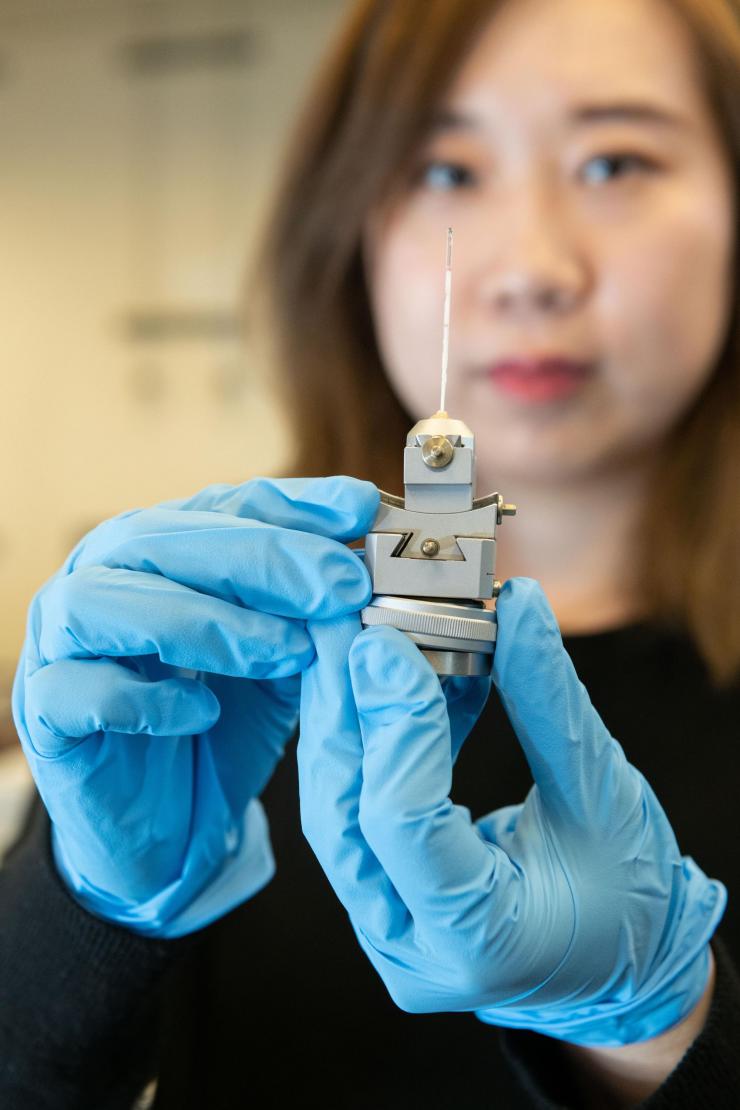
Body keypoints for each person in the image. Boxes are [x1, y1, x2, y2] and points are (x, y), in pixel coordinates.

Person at [1, 0, 739, 1106]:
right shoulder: (217, 669)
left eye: (614, 160)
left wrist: (660, 1024)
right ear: (346, 226)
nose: (530, 268)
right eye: (443, 170)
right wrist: (87, 907)